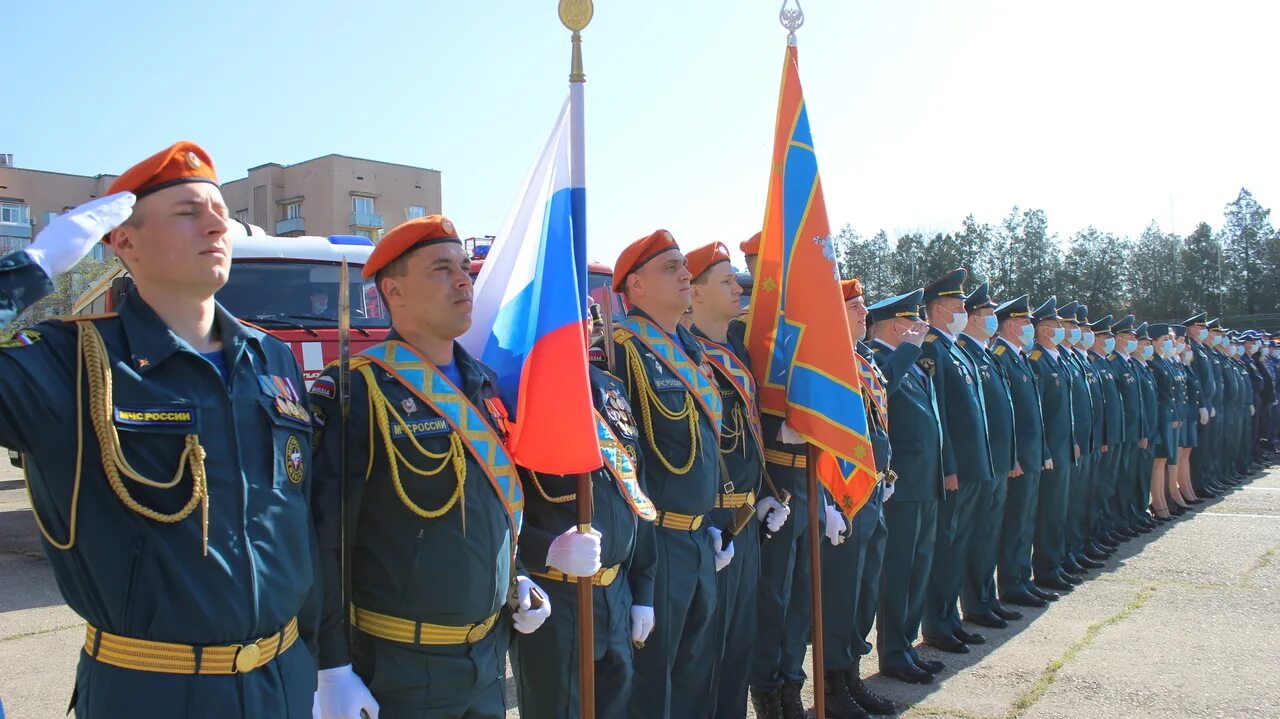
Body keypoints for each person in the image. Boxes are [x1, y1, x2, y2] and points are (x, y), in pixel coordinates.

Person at [0, 142, 318, 717]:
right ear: (124, 241)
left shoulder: (273, 359)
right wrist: (29, 272)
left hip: (284, 679)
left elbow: (296, 522)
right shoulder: (71, 364)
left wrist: (328, 663)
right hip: (154, 690)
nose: (216, 224)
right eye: (188, 211)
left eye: (220, 211)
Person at [310, 215, 551, 719]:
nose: (464, 279)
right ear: (392, 292)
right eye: (442, 269)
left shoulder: (482, 385)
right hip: (398, 667)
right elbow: (323, 539)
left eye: (464, 267)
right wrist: (330, 665)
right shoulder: (357, 390)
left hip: (486, 657)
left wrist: (517, 576)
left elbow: (491, 507)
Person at [510, 322, 657, 718]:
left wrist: (644, 589)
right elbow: (498, 505)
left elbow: (635, 492)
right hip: (556, 598)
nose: (582, 320)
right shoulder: (515, 390)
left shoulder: (609, 388)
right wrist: (543, 551)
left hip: (616, 593)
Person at [611, 230, 730, 719]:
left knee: (694, 677)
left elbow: (705, 450)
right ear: (635, 286)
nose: (686, 274)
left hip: (700, 540)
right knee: (653, 686)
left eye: (685, 266)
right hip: (656, 543)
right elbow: (624, 465)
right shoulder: (622, 351)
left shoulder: (690, 350)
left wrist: (716, 519)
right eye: (671, 267)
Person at [683, 241, 784, 719]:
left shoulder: (737, 350)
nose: (737, 287)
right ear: (695, 293)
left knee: (740, 643)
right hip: (712, 519)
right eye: (725, 281)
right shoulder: (687, 356)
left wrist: (765, 494)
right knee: (704, 651)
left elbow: (747, 433)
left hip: (745, 518)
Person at [818, 278, 897, 718]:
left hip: (873, 493)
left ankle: (851, 675)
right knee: (841, 594)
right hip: (843, 498)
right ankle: (832, 685)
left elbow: (877, 424)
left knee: (865, 589)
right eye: (855, 307)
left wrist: (889, 469)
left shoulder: (862, 361)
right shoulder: (827, 363)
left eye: (864, 306)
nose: (864, 313)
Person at [865, 289, 944, 684]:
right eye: (914, 322)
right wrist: (908, 352)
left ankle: (907, 646)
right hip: (902, 483)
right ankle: (893, 653)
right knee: (897, 572)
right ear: (898, 325)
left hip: (925, 480)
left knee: (918, 567)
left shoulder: (909, 361)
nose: (921, 330)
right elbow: (881, 395)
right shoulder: (879, 361)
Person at [919, 268, 994, 654]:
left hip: (972, 464)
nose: (964, 310)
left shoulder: (954, 347)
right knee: (946, 547)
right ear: (938, 309)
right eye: (958, 304)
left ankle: (949, 618)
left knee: (959, 544)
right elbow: (940, 414)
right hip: (956, 469)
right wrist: (949, 466)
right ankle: (937, 624)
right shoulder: (932, 347)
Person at [956, 282, 1023, 630]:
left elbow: (1000, 411)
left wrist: (1010, 455)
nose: (993, 320)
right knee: (973, 535)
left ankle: (985, 598)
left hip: (995, 458)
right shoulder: (961, 350)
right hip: (974, 463)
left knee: (988, 533)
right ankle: (973, 604)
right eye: (987, 314)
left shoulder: (982, 352)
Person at [991, 295, 1057, 609]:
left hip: (1031, 452)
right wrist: (1014, 455)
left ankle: (1023, 578)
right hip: (1017, 456)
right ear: (1010, 325)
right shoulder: (1001, 356)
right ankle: (1011, 583)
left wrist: (1041, 450)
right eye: (1024, 322)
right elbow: (1006, 414)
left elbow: (1035, 411)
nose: (1029, 327)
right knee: (1014, 522)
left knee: (1026, 520)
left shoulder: (1020, 357)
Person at [1027, 297, 1077, 593]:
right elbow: (1037, 412)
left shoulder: (1057, 358)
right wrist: (1045, 450)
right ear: (1043, 330)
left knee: (1060, 510)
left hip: (1064, 447)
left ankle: (1056, 562)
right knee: (1047, 513)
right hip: (1049, 452)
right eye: (1056, 325)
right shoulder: (1037, 360)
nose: (1062, 330)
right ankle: (1045, 568)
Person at [1147, 325, 1182, 521]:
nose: (1168, 342)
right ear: (1153, 342)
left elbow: (1172, 395)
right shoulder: (1153, 363)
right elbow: (1159, 396)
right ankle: (1158, 503)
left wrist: (1176, 415)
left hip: (1167, 416)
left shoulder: (1164, 362)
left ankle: (1162, 501)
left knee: (1162, 460)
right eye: (1163, 339)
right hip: (1159, 417)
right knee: (1158, 461)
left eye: (1168, 339)